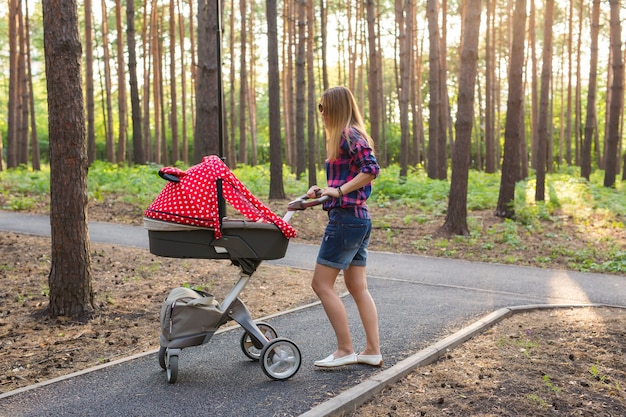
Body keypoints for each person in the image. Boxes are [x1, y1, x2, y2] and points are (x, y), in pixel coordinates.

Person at [308, 86, 382, 368]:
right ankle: (372, 350)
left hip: (346, 219)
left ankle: (344, 350)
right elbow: (350, 178)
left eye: (323, 107)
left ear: (336, 107)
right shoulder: (348, 135)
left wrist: (338, 192)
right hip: (358, 218)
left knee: (321, 284)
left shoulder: (349, 134)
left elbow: (371, 169)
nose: (322, 112)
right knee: (356, 286)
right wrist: (324, 191)